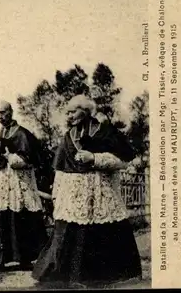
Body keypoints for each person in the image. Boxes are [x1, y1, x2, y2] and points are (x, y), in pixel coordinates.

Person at [32, 94, 142, 289]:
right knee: (71, 231)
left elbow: (122, 161)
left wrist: (94, 158)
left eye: (73, 111)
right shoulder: (68, 136)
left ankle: (106, 275)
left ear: (85, 110)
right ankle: (71, 275)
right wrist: (57, 194)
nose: (69, 116)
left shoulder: (106, 132)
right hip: (74, 193)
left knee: (104, 230)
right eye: (67, 112)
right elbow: (60, 167)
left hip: (100, 190)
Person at [0, 100, 48, 272]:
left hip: (18, 181)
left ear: (11, 112)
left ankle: (25, 258)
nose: (1, 116)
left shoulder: (22, 134)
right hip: (0, 182)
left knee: (22, 216)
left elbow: (27, 160)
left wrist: (9, 156)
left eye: (3, 112)